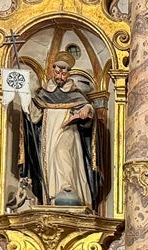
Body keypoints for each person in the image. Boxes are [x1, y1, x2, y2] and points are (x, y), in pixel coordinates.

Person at [23, 51, 101, 208]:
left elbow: (87, 107)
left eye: (63, 73)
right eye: (57, 72)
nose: (60, 76)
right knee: (51, 159)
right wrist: (25, 99)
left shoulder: (75, 93)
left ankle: (67, 187)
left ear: (68, 74)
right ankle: (52, 196)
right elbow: (34, 116)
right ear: (53, 70)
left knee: (62, 152)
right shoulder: (44, 93)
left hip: (68, 130)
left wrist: (86, 109)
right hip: (48, 133)